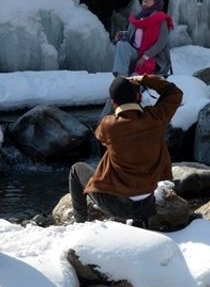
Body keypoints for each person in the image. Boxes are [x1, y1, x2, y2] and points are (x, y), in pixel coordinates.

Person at [69, 74, 182, 228]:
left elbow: (99, 136)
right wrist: (145, 79)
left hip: (116, 206)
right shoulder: (156, 117)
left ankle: (80, 224)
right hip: (146, 205)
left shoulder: (108, 125)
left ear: (114, 102)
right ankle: (139, 221)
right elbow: (174, 93)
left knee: (76, 169)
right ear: (139, 96)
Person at [112, 0, 173, 77]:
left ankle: (136, 81)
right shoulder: (136, 19)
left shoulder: (161, 20)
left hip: (153, 57)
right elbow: (130, 36)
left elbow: (160, 43)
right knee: (121, 45)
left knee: (140, 73)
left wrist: (145, 57)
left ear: (157, 2)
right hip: (136, 53)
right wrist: (122, 35)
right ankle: (121, 77)